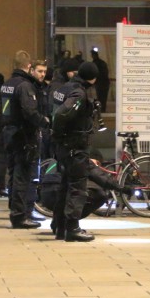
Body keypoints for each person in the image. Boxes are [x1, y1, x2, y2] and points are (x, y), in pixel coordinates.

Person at [51, 61, 99, 242]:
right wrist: (61, 133)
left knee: (64, 186)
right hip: (75, 146)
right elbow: (62, 114)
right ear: (93, 78)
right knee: (78, 187)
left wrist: (57, 136)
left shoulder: (64, 88)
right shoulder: (78, 93)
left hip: (63, 146)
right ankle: (72, 228)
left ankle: (59, 226)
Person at [1, 50, 44, 229]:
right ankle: (19, 216)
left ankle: (14, 210)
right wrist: (44, 122)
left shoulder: (6, 84)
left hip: (8, 133)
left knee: (13, 174)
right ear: (28, 66)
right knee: (22, 176)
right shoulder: (25, 86)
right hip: (22, 135)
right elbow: (29, 112)